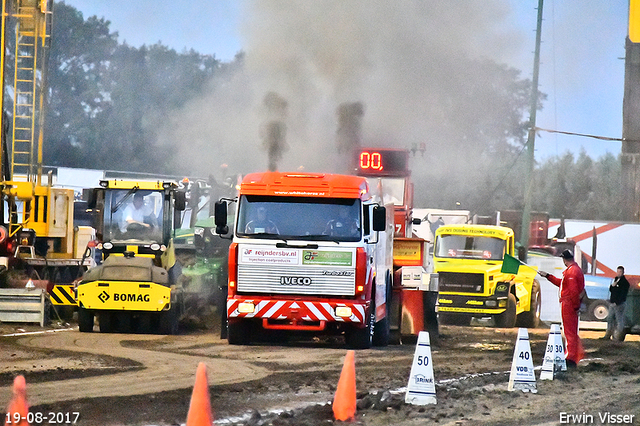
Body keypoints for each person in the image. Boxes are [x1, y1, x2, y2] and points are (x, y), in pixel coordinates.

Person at [539, 249, 586, 369]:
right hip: (570, 303)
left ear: (564, 260)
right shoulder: (574, 271)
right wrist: (548, 276)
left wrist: (575, 306)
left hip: (568, 304)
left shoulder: (571, 272)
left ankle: (570, 357)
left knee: (569, 331)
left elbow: (573, 291)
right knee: (570, 330)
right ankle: (572, 355)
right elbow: (563, 284)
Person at [601, 266, 630, 341]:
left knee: (619, 320)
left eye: (620, 272)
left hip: (619, 304)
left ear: (623, 272)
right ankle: (608, 334)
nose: (618, 273)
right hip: (612, 303)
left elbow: (623, 294)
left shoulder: (625, 283)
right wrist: (612, 286)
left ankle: (618, 336)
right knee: (610, 319)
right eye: (618, 272)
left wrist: (617, 302)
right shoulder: (616, 279)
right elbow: (612, 290)